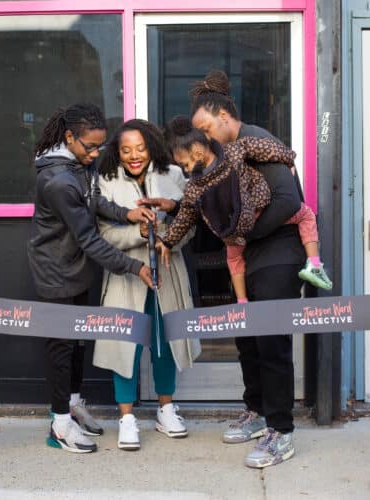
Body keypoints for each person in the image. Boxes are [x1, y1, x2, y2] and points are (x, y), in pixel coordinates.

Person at [186, 69, 312, 468]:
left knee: (272, 344)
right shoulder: (225, 152)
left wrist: (245, 234)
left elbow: (289, 200)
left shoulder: (257, 140)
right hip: (253, 255)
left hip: (279, 253)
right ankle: (257, 413)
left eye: (206, 127)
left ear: (224, 116)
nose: (204, 137)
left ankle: (282, 432)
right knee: (248, 338)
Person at [27, 104, 155, 454]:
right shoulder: (57, 181)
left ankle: (72, 403)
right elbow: (90, 239)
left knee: (78, 341)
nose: (96, 153)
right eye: (91, 147)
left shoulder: (79, 166)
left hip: (78, 269)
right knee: (61, 349)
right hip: (55, 273)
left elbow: (95, 201)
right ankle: (59, 424)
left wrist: (126, 213)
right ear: (70, 138)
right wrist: (135, 267)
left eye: (100, 146)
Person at [92, 119, 201, 451]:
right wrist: (137, 233)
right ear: (117, 152)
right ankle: (126, 417)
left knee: (165, 340)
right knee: (124, 343)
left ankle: (166, 409)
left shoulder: (173, 174)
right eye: (126, 150)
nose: (134, 156)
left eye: (140, 148)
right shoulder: (106, 181)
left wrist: (165, 239)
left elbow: (191, 224)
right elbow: (103, 234)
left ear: (152, 146)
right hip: (126, 274)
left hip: (168, 272)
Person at [156, 116, 331, 305]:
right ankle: (314, 264)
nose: (187, 171)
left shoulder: (194, 188)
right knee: (306, 215)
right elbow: (264, 148)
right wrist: (287, 159)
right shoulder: (234, 151)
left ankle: (241, 301)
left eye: (185, 164)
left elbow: (185, 217)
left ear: (197, 152)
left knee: (234, 260)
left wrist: (167, 241)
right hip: (258, 211)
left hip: (233, 230)